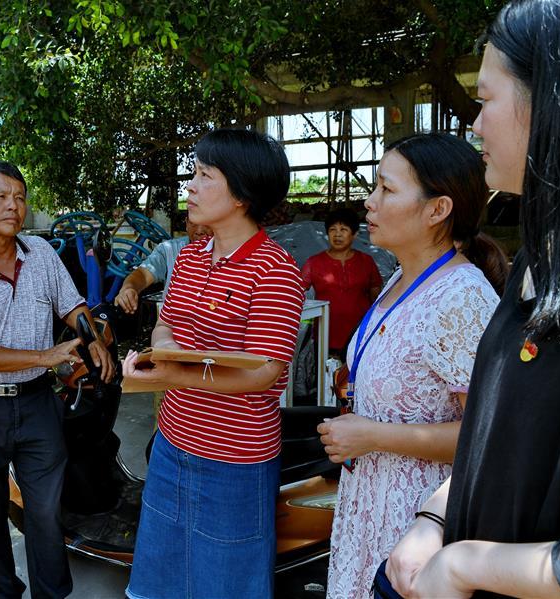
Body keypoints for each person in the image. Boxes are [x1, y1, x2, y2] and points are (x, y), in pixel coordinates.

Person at [386, 2, 560, 597]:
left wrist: (462, 564)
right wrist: (435, 517)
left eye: (485, 101)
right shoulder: (542, 261)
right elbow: (495, 438)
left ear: (559, 105)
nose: (475, 126)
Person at [317, 133, 505, 598]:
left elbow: (490, 439)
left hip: (417, 523)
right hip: (369, 506)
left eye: (386, 188)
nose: (370, 201)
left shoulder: (461, 297)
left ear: (437, 209)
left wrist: (375, 435)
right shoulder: (402, 277)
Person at [121, 129, 305, 598]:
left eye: (205, 175)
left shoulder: (275, 269)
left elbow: (263, 371)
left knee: (225, 583)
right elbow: (166, 324)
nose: (191, 186)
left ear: (241, 194)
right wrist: (160, 353)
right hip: (172, 443)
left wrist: (175, 373)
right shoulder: (188, 258)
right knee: (162, 580)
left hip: (235, 460)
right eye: (195, 173)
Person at [0, 160, 115, 599]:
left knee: (46, 511)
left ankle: (50, 594)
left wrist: (91, 338)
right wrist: (45, 356)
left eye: (19, 197)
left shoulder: (40, 254)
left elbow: (72, 306)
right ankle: (6, 590)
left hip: (37, 403)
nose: (13, 206)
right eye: (0, 197)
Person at [301, 208, 382, 355]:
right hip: (325, 334)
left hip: (360, 333)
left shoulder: (366, 261)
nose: (337, 234)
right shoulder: (314, 263)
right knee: (324, 369)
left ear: (355, 234)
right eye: (332, 229)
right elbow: (297, 292)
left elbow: (377, 297)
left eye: (343, 229)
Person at [113, 215, 212, 314]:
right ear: (186, 224)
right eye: (193, 223)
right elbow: (143, 274)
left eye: (207, 223)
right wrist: (129, 288)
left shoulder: (221, 258)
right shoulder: (169, 250)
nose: (199, 231)